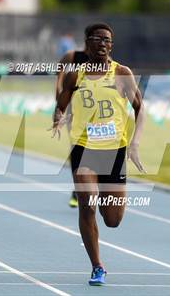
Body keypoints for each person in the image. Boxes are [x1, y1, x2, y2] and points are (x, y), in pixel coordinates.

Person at [50, 23, 145, 285]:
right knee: (86, 202)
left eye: (108, 41)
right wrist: (57, 117)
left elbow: (140, 109)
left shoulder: (122, 73)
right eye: (99, 39)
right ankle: (97, 266)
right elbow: (61, 102)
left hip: (114, 151)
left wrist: (134, 143)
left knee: (112, 219)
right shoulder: (75, 75)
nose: (104, 44)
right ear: (87, 43)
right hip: (84, 149)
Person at [55, 47, 89, 208]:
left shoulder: (104, 58)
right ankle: (77, 189)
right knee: (77, 147)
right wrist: (58, 88)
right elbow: (59, 68)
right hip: (74, 110)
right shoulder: (73, 56)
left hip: (94, 112)